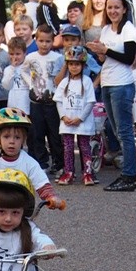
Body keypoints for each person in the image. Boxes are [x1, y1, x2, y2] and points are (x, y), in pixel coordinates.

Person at [86, 0, 136, 192]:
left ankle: (129, 175)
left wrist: (106, 50)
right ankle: (127, 173)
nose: (113, 11)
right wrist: (99, 52)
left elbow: (128, 58)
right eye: (110, 7)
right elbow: (105, 60)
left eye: (117, 7)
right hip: (108, 83)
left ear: (124, 9)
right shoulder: (107, 29)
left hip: (122, 85)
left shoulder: (128, 29)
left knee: (124, 131)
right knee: (117, 131)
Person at [53, 46, 97, 186]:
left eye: (77, 64)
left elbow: (90, 102)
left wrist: (81, 118)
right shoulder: (65, 82)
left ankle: (88, 173)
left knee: (85, 147)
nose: (74, 67)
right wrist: (63, 117)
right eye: (71, 64)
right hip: (67, 122)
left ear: (83, 65)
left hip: (82, 122)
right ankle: (69, 172)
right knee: (68, 147)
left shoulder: (87, 81)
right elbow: (58, 101)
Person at [27, 25, 64, 173]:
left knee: (54, 133)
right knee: (37, 133)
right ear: (36, 40)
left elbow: (62, 77)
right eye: (41, 40)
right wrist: (30, 84)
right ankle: (41, 163)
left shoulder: (58, 58)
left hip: (53, 101)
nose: (44, 44)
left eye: (48, 41)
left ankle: (58, 163)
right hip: (36, 101)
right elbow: (23, 70)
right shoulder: (31, 57)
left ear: (52, 41)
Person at [2, 38, 31, 114]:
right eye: (11, 54)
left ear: (24, 53)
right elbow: (6, 86)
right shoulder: (8, 69)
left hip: (26, 104)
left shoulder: (28, 67)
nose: (14, 57)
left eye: (18, 54)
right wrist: (12, 68)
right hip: (13, 104)